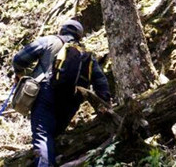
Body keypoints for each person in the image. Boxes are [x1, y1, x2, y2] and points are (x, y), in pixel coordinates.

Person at [12, 19, 110, 167]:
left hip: (46, 93)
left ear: (62, 30)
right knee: (53, 135)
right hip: (73, 100)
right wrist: (105, 104)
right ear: (79, 36)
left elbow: (19, 59)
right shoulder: (87, 54)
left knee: (43, 134)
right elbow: (101, 82)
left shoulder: (50, 41)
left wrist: (19, 73)